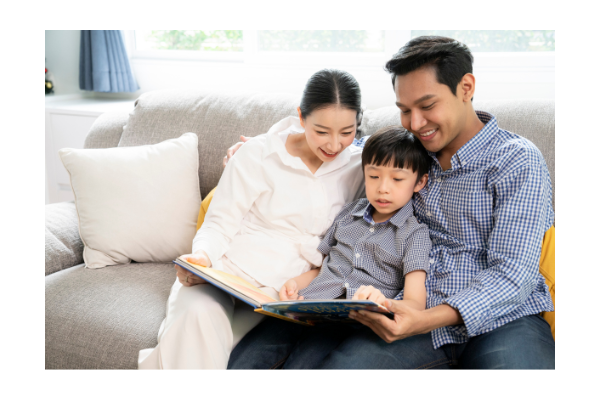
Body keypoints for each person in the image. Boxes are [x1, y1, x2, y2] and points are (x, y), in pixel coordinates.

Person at [227, 36, 555, 370]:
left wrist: (425, 318)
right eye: (404, 110)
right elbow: (337, 140)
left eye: (427, 106)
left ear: (466, 87)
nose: (415, 124)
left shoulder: (517, 160)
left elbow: (513, 274)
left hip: (504, 321)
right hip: (408, 321)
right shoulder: (405, 151)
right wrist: (260, 152)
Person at [138, 69, 365, 370]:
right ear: (300, 116)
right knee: (197, 316)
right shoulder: (259, 153)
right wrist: (202, 257)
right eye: (321, 131)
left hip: (283, 292)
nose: (335, 145)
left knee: (224, 347)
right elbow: (220, 222)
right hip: (229, 270)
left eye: (346, 132)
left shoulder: (363, 166)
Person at [279, 126, 431, 316]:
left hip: (360, 321)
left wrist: (383, 302)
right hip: (311, 305)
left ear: (419, 182)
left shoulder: (415, 234)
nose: (383, 188)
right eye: (374, 176)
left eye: (397, 179)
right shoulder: (349, 213)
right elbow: (324, 268)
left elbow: (415, 304)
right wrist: (294, 283)